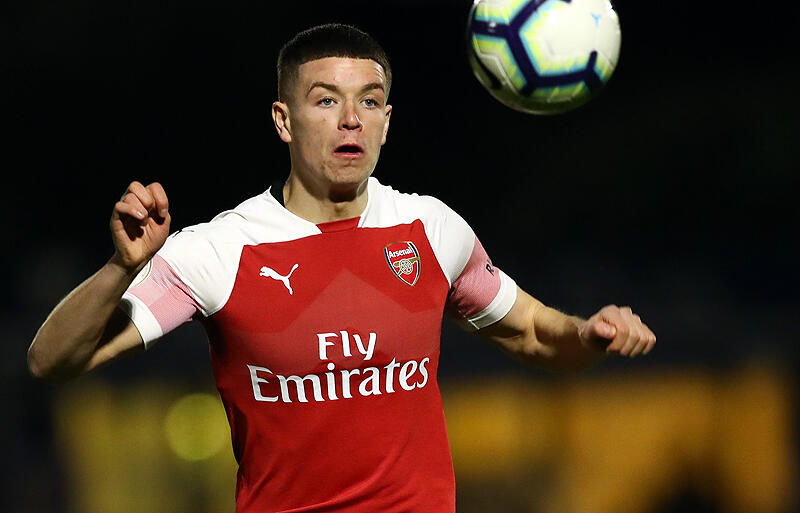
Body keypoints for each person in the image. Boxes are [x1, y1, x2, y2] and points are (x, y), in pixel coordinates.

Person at [28, 23, 656, 513]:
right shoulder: (219, 251)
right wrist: (120, 268)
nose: (350, 119)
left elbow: (533, 334)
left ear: (386, 121)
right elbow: (52, 361)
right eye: (326, 100)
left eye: (369, 102)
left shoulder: (431, 230)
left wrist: (588, 334)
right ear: (284, 121)